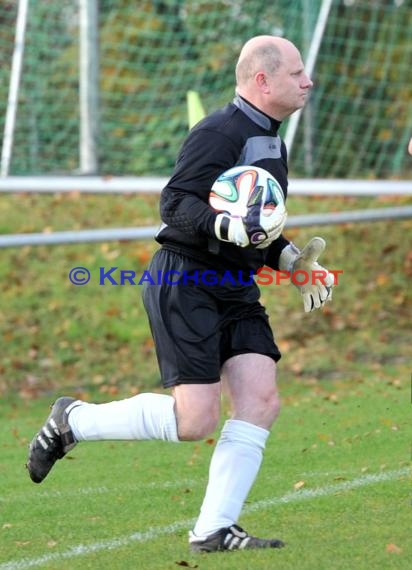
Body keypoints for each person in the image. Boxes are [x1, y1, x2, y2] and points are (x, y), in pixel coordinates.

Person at [26, 35, 335, 553]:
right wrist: (219, 226)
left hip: (234, 286)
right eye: (296, 73)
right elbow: (174, 204)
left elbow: (252, 227)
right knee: (195, 421)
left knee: (260, 400)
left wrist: (291, 261)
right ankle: (72, 419)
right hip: (186, 280)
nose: (308, 81)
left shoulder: (273, 141)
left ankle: (213, 529)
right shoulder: (218, 132)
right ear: (263, 80)